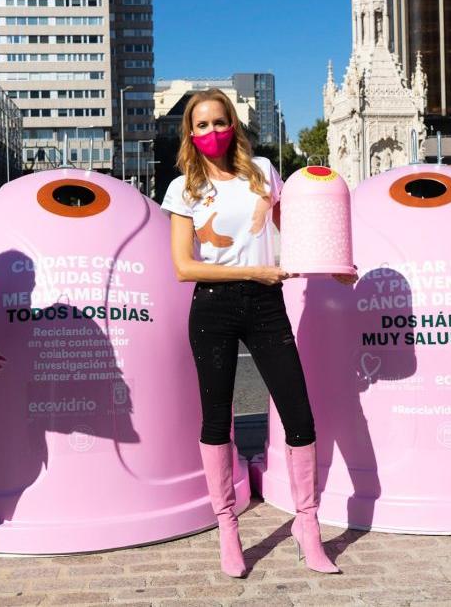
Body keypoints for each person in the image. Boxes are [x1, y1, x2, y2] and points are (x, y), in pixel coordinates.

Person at [161, 89, 355, 578]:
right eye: (200, 125)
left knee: (299, 416)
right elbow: (185, 268)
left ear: (234, 125)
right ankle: (228, 527)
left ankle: (306, 526)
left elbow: (296, 231)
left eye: (219, 122)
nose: (211, 132)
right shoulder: (183, 188)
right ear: (190, 133)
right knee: (215, 421)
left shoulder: (264, 172)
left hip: (267, 305)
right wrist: (254, 274)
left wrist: (334, 266)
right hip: (214, 307)